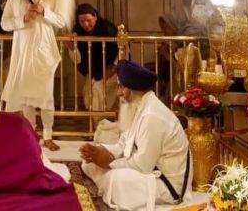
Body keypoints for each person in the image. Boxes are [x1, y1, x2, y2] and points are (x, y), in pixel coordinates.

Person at [80, 60, 191, 210]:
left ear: (135, 90)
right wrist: (99, 150)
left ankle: (108, 185)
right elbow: (122, 145)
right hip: (149, 171)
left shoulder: (152, 116)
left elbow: (142, 166)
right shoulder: (139, 108)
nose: (118, 93)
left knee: (115, 180)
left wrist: (109, 163)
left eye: (122, 87)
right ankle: (107, 185)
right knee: (89, 164)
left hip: (167, 184)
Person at [1, 0, 65, 151]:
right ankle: (31, 133)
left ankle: (47, 136)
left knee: (46, 96)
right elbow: (4, 24)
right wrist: (23, 18)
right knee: (26, 97)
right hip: (23, 53)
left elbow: (61, 22)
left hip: (43, 53)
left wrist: (45, 11)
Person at [69, 3, 118, 113]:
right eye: (82, 21)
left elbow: (119, 50)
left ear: (95, 16)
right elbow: (77, 59)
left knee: (102, 95)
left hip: (110, 71)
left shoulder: (108, 29)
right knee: (90, 96)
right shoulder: (77, 32)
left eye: (88, 20)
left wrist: (113, 68)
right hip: (92, 72)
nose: (86, 24)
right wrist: (72, 47)